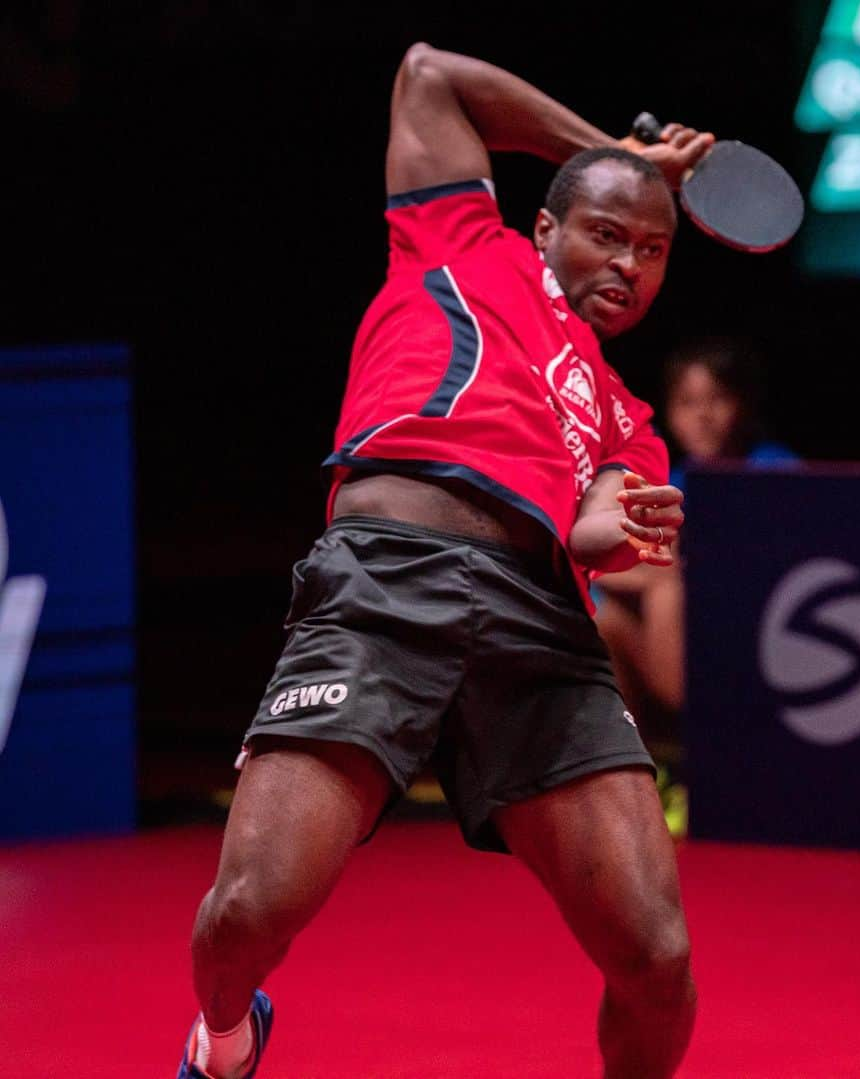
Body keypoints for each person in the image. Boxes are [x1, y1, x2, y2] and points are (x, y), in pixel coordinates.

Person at [176, 43, 715, 1079]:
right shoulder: (455, 239)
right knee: (244, 915)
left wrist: (611, 527)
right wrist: (613, 148)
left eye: (654, 251)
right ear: (543, 225)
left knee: (658, 958)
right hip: (384, 582)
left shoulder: (627, 413)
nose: (629, 266)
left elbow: (602, 516)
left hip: (541, 627)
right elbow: (430, 73)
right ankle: (227, 1038)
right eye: (609, 233)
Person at [593, 336, 798, 831]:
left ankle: (698, 757)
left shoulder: (777, 473)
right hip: (681, 644)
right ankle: (643, 780)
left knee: (664, 587)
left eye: (717, 399)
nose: (702, 416)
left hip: (761, 652)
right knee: (605, 618)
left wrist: (667, 573)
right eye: (687, 403)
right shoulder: (670, 479)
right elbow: (627, 563)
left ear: (744, 404)